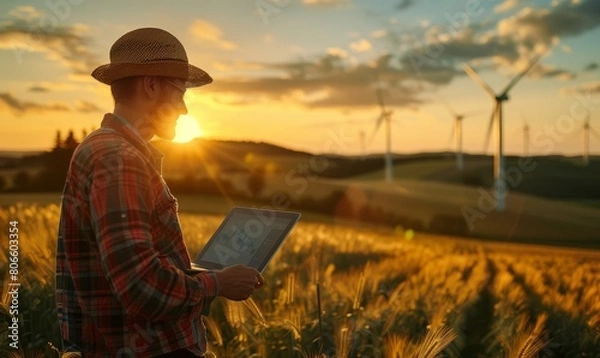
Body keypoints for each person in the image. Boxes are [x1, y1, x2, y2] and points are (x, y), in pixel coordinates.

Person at [55, 27, 265, 357]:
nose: (183, 109)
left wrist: (207, 274)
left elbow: (127, 267)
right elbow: (140, 286)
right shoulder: (120, 160)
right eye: (180, 93)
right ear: (151, 85)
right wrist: (218, 284)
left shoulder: (105, 149)